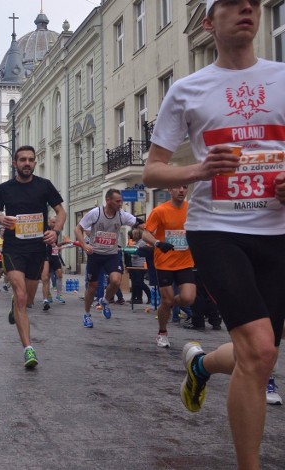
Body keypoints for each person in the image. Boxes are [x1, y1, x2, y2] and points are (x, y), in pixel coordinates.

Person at [142, 0, 285, 466]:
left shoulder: (282, 78)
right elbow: (152, 171)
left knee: (258, 356)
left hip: (277, 231)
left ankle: (200, 364)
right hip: (216, 228)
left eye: (252, 2)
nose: (246, 6)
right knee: (260, 350)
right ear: (208, 22)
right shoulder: (186, 90)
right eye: (230, 1)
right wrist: (201, 167)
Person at [0, 145, 66, 368]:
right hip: (13, 248)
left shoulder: (44, 186)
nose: (27, 163)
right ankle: (28, 349)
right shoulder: (5, 188)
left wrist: (56, 231)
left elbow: (61, 212)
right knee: (22, 296)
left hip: (37, 249)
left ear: (34, 163)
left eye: (30, 160)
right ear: (15, 163)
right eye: (22, 159)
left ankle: (16, 305)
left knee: (28, 300)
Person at [74, 189, 139, 328]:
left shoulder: (121, 215)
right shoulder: (95, 213)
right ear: (108, 200)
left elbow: (136, 222)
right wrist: (84, 245)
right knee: (92, 286)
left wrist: (147, 227)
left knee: (116, 281)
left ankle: (104, 300)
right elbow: (77, 229)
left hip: (111, 254)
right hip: (95, 254)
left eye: (121, 201)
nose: (120, 204)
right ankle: (86, 314)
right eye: (117, 201)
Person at [141, 185, 196, 348]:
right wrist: (158, 243)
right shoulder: (160, 210)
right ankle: (162, 333)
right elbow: (145, 233)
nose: (181, 191)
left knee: (188, 298)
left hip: (185, 261)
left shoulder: (192, 209)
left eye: (184, 187)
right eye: (177, 188)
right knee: (166, 299)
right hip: (164, 262)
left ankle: (170, 304)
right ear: (169, 191)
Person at [127, 228, 152, 305]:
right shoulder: (135, 242)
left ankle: (149, 296)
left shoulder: (141, 243)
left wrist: (130, 251)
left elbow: (136, 253)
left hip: (140, 265)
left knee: (139, 282)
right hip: (134, 264)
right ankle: (137, 298)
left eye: (134, 234)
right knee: (135, 282)